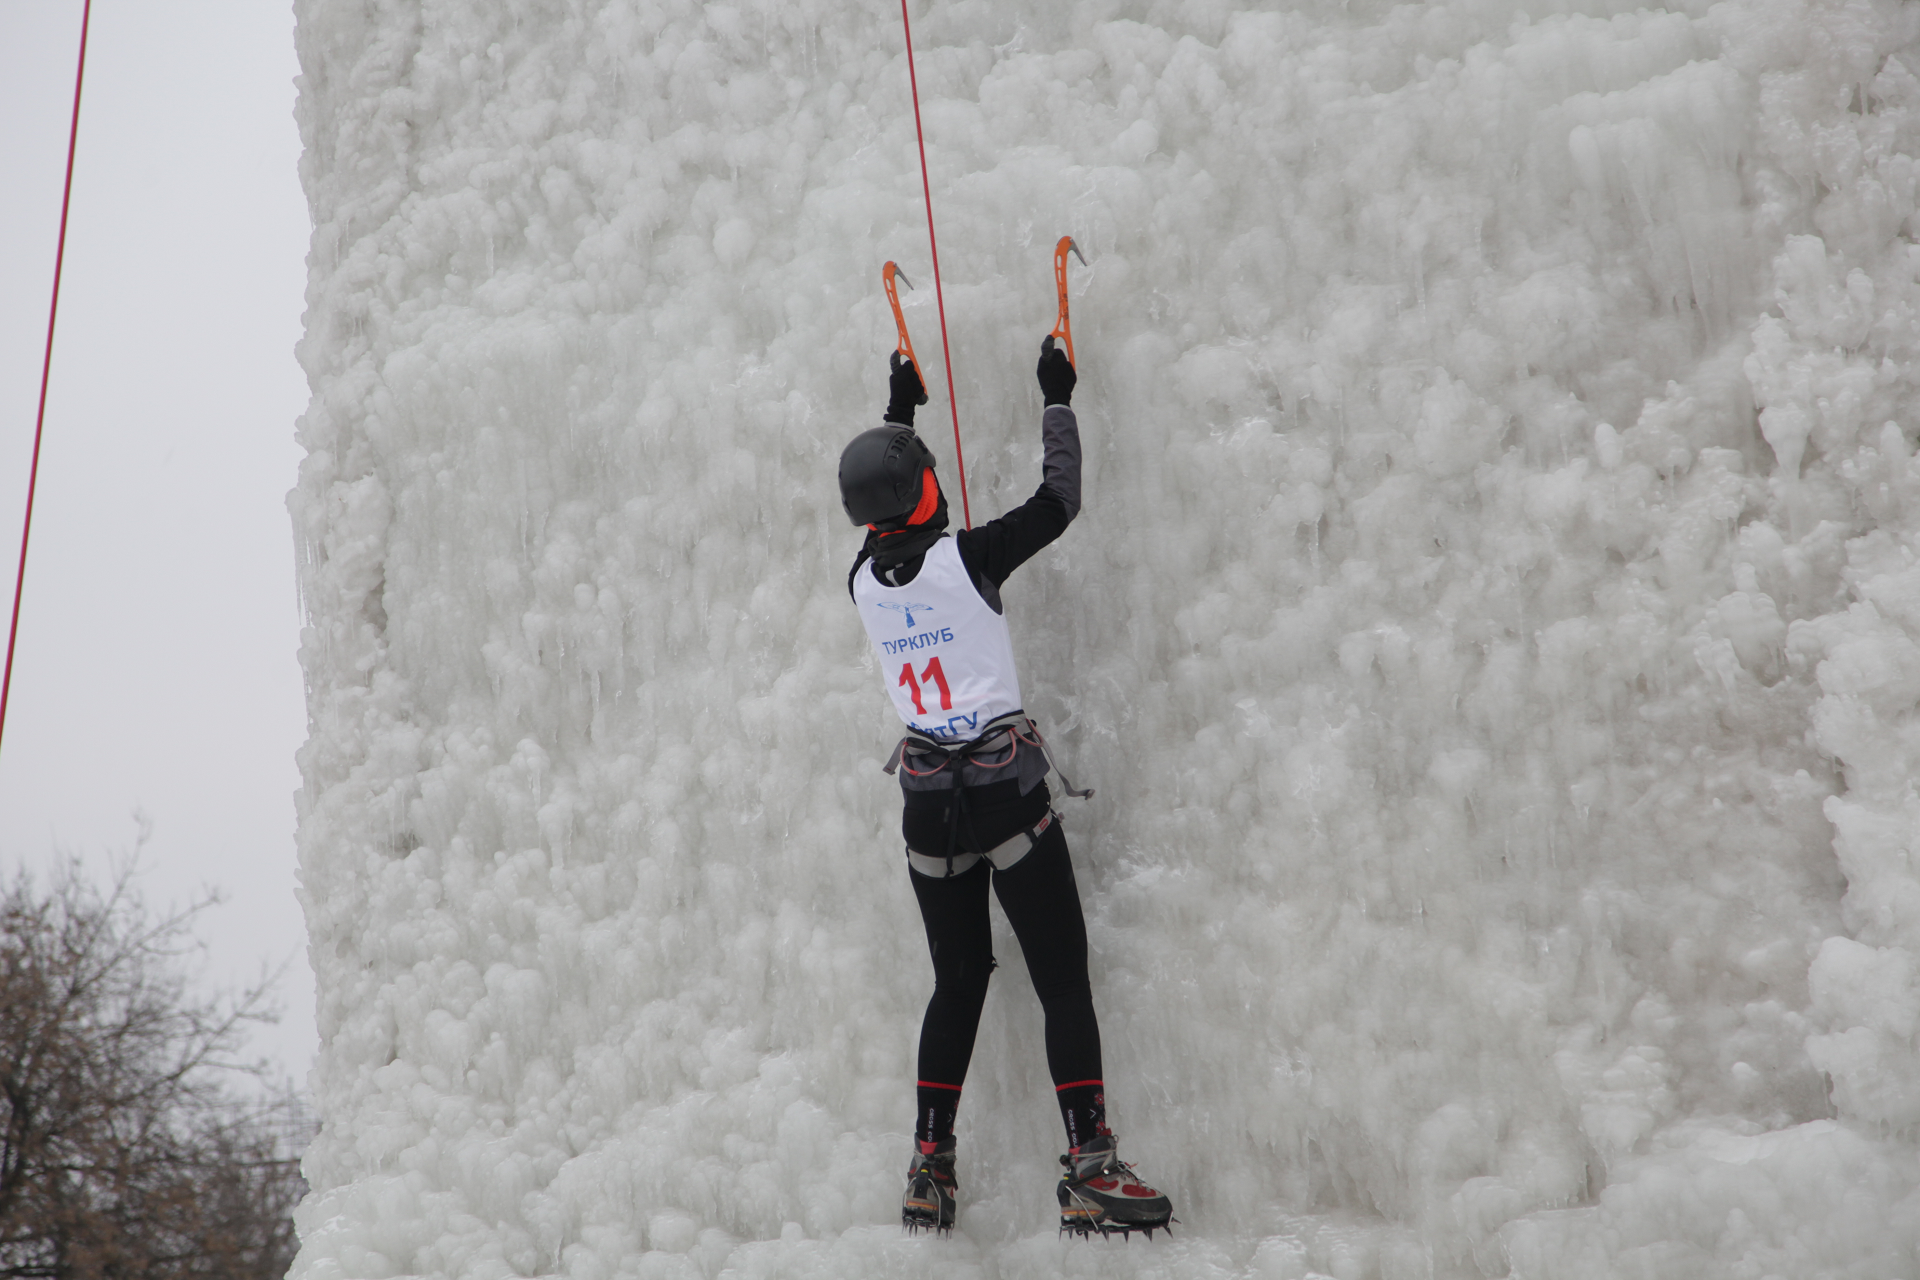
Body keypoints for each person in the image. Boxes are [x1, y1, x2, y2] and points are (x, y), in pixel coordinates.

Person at [837, 335, 1174, 1238]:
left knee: (957, 982)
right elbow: (1058, 500)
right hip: (1005, 796)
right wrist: (1055, 397)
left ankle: (928, 1169)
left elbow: (886, 507)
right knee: (1061, 980)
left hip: (926, 812)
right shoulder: (969, 559)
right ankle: (1090, 1164)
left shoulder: (863, 581)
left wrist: (896, 412)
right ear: (925, 492)